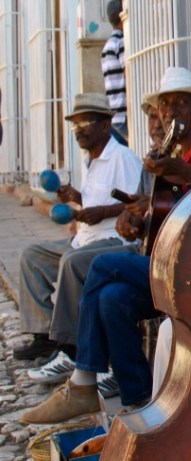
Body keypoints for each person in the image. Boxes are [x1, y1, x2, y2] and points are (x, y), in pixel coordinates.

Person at [21, 67, 191, 424]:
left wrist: (185, 173)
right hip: (167, 261)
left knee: (99, 266)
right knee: (112, 298)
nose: (170, 112)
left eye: (180, 103)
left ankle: (83, 380)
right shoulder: (168, 153)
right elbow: (171, 216)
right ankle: (139, 401)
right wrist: (141, 220)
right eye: (165, 105)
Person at [14, 92, 142, 365]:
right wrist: (76, 197)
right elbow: (97, 201)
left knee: (71, 263)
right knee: (32, 256)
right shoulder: (89, 161)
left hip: (114, 240)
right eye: (75, 125)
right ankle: (44, 335)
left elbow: (140, 204)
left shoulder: (123, 158)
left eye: (85, 123)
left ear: (106, 125)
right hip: (84, 239)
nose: (78, 131)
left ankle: (70, 346)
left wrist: (103, 212)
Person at [101, 0, 127, 142]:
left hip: (115, 115)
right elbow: (128, 73)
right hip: (124, 115)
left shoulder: (108, 45)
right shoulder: (121, 42)